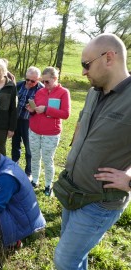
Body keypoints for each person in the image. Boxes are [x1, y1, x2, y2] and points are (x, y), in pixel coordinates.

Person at [54, 33, 131, 270]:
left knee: (64, 260)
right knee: (76, 257)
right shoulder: (92, 93)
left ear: (109, 57)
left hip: (100, 202)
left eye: (86, 65)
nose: (83, 72)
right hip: (73, 192)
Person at [0, 147, 46, 249]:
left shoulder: (6, 178)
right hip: (16, 207)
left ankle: (12, 243)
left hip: (23, 220)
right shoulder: (0, 161)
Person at [27, 67, 70, 196]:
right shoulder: (40, 92)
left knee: (47, 159)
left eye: (47, 82)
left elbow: (66, 114)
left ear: (55, 79)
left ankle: (48, 185)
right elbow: (36, 110)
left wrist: (46, 109)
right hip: (34, 130)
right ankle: (35, 180)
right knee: (34, 156)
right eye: (43, 81)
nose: (44, 85)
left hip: (51, 133)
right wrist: (32, 109)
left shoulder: (63, 93)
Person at [11, 66, 44, 178]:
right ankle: (14, 166)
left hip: (30, 122)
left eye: (33, 81)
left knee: (29, 148)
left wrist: (35, 109)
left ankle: (28, 172)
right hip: (16, 120)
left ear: (38, 79)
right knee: (15, 145)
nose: (29, 82)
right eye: (27, 79)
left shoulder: (42, 90)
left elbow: (44, 108)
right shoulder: (19, 85)